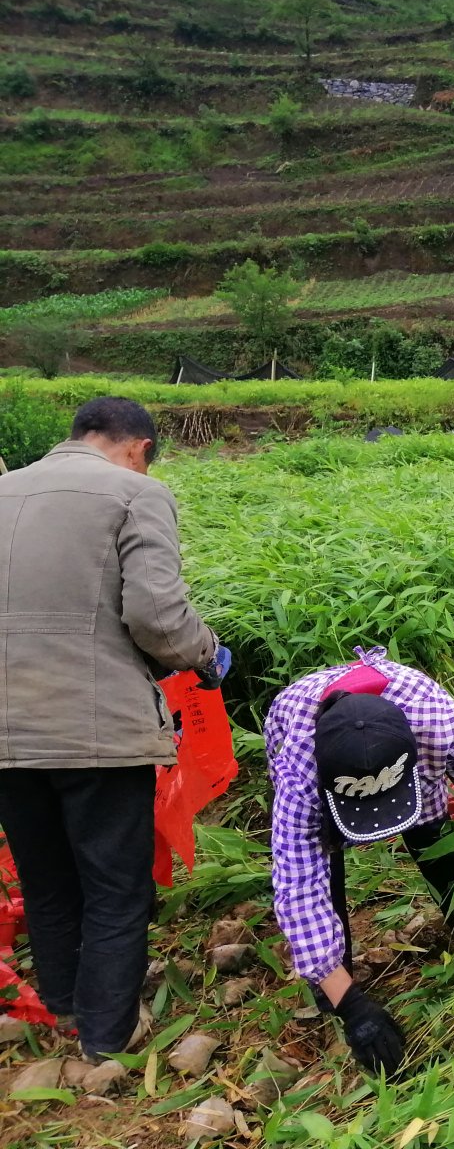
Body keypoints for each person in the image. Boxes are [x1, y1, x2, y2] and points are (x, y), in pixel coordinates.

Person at [0, 397, 229, 1062]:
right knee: (114, 885)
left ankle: (69, 1009)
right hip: (95, 728)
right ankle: (106, 1039)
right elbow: (156, 615)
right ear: (141, 448)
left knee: (46, 882)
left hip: (7, 735)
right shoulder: (135, 493)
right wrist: (206, 655)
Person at [263, 647, 454, 1075]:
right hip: (305, 742)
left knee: (432, 840)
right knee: (326, 870)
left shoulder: (436, 724)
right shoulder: (299, 769)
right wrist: (353, 1008)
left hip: (417, 757)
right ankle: (333, 985)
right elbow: (299, 883)